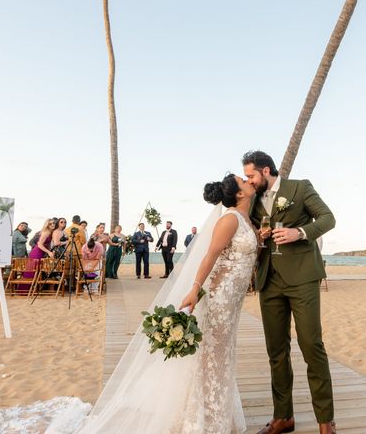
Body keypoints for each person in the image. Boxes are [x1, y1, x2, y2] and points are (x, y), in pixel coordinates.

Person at [78, 173, 258, 433]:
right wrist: (195, 289)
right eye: (244, 181)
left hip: (233, 300)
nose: (250, 181)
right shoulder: (229, 219)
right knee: (212, 354)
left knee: (222, 353)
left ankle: (216, 411)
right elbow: (209, 256)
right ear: (238, 194)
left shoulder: (244, 218)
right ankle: (201, 418)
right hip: (220, 297)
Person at [243, 150, 336, 434]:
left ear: (267, 170)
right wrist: (258, 235)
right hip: (269, 281)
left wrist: (300, 233)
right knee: (276, 351)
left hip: (303, 279)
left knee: (312, 346)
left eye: (251, 175)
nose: (249, 181)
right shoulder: (253, 200)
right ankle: (283, 416)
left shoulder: (300, 187)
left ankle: (325, 421)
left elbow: (328, 219)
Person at [22, 219, 55, 294]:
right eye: (50, 224)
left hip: (41, 252)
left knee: (36, 271)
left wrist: (49, 251)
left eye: (53, 223)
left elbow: (47, 244)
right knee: (31, 271)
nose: (52, 224)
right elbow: (39, 244)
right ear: (47, 225)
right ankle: (24, 290)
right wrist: (49, 252)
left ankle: (33, 290)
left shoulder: (50, 232)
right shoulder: (46, 232)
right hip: (37, 252)